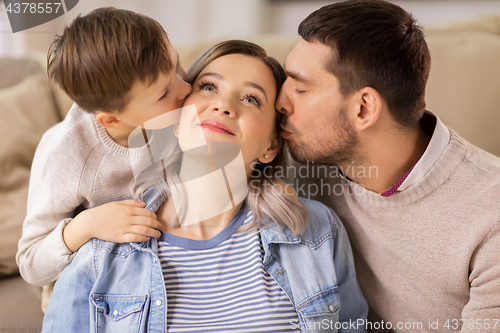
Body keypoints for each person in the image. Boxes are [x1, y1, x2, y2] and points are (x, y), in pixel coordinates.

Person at [41, 40, 368, 333]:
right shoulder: (103, 248)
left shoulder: (317, 231)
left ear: (270, 146)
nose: (224, 105)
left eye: (252, 99)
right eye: (209, 87)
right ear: (177, 115)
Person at [276, 0, 500, 332]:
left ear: (364, 109)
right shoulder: (298, 154)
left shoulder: (490, 216)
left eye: (300, 87)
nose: (281, 101)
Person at [16, 7, 191, 309]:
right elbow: (31, 264)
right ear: (111, 121)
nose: (187, 89)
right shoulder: (66, 153)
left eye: (177, 66)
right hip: (98, 288)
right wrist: (86, 225)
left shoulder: (179, 101)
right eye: (164, 94)